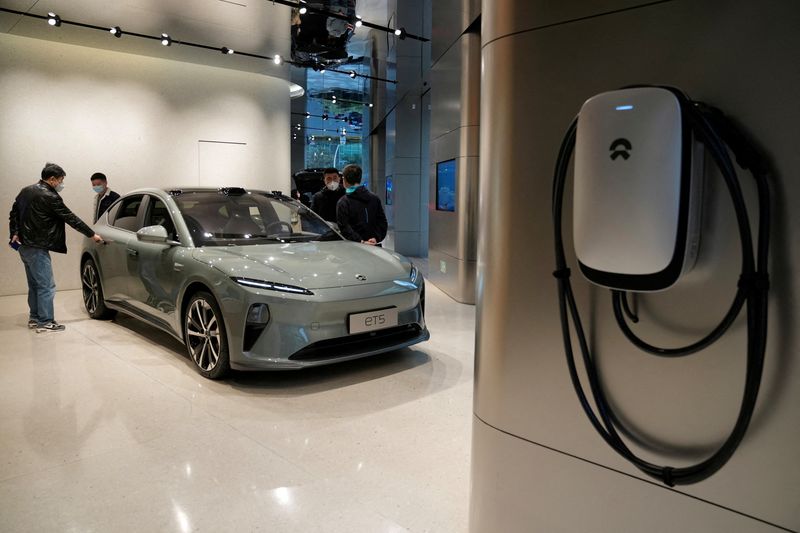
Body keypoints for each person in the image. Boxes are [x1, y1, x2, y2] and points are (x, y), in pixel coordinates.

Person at [9, 163, 104, 332]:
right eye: (61, 180)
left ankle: (35, 318)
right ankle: (45, 321)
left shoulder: (26, 191)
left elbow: (14, 213)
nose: (61, 183)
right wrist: (92, 234)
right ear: (52, 179)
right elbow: (70, 218)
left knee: (35, 284)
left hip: (24, 245)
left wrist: (14, 232)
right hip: (37, 246)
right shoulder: (49, 196)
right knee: (46, 285)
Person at [335, 164, 388, 246]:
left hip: (353, 248)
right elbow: (382, 222)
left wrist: (361, 241)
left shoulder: (343, 202)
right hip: (374, 247)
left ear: (344, 179)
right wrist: (375, 238)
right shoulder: (374, 198)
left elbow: (344, 228)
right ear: (360, 178)